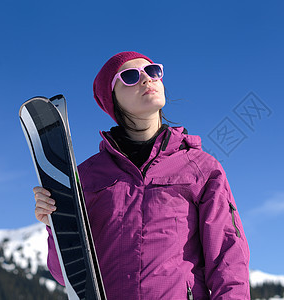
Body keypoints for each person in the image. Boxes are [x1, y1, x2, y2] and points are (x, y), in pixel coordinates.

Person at [33, 51, 250, 299]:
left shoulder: (201, 168)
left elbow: (228, 259)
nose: (146, 79)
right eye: (130, 76)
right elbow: (68, 276)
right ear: (111, 98)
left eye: (153, 71)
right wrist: (56, 224)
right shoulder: (86, 177)